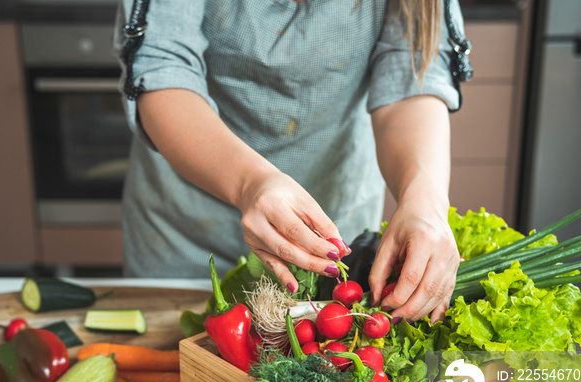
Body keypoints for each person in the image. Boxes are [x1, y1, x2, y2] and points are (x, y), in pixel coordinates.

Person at [114, 0, 470, 324]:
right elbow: (163, 69)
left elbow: (410, 82)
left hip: (336, 233)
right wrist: (249, 182)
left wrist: (425, 200)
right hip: (186, 235)